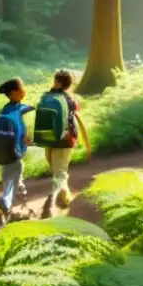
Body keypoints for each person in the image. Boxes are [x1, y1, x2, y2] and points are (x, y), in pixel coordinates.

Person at [35, 69, 91, 219]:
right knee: (60, 172)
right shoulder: (70, 100)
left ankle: (54, 202)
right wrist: (87, 144)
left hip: (49, 139)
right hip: (66, 140)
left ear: (57, 82)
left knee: (57, 171)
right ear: (69, 84)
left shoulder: (47, 97)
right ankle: (62, 199)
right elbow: (79, 121)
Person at [0, 78, 35, 232]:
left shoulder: (6, 110)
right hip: (14, 157)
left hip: (5, 157)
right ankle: (1, 213)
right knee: (10, 189)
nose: (24, 90)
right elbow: (21, 138)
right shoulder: (16, 113)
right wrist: (26, 142)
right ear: (14, 92)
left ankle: (17, 212)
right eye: (22, 88)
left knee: (13, 183)